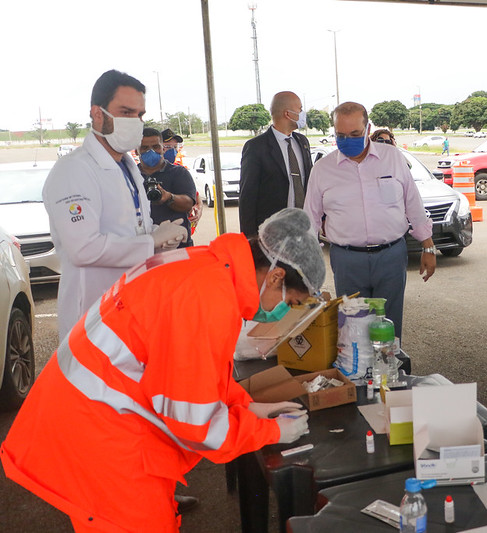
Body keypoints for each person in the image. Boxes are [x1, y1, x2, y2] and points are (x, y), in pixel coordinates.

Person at [0, 208, 324, 532]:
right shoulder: (207, 299)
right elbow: (196, 426)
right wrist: (272, 432)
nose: (283, 312)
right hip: (101, 434)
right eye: (292, 302)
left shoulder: (207, 266)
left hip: (95, 411)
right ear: (276, 277)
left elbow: (193, 371)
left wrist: (247, 405)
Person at [42, 69, 187, 342]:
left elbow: (127, 226)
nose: (136, 122)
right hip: (93, 314)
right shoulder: (73, 170)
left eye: (140, 115)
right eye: (126, 112)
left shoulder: (127, 166)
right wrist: (150, 243)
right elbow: (84, 249)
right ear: (98, 114)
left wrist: (157, 234)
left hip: (130, 304)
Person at [304, 101, 435, 339]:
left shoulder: (392, 157)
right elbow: (310, 219)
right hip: (346, 260)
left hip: (391, 256)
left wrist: (429, 247)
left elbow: (413, 203)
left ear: (368, 128)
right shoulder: (322, 170)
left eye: (354, 134)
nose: (348, 140)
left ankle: (393, 373)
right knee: (354, 331)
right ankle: (357, 376)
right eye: (340, 135)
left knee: (390, 327)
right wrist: (307, 268)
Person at [239, 91, 312, 238]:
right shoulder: (256, 147)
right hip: (272, 233)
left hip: (303, 230)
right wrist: (250, 238)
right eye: (300, 109)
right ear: (288, 114)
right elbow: (248, 196)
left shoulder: (302, 142)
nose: (303, 113)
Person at [137, 128, 197, 247]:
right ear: (136, 150)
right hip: (142, 248)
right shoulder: (130, 176)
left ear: (163, 148)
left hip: (177, 246)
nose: (151, 151)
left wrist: (169, 197)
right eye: (144, 148)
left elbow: (188, 204)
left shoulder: (179, 173)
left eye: (155, 147)